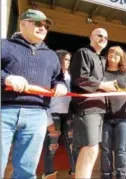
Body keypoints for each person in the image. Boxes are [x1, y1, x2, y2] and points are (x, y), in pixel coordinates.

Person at [1, 9, 67, 179]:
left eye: (45, 25)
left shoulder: (51, 56)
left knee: (27, 170)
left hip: (37, 116)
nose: (43, 27)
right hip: (4, 111)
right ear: (23, 23)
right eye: (38, 23)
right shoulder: (4, 45)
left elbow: (57, 79)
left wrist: (60, 86)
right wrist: (6, 78)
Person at [70, 28, 117, 179]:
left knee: (93, 149)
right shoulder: (83, 53)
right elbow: (80, 78)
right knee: (89, 148)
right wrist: (104, 85)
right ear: (91, 37)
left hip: (99, 108)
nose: (103, 38)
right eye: (100, 35)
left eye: (106, 37)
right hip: (86, 107)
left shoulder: (102, 59)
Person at [101, 46, 126, 179]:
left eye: (117, 54)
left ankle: (121, 175)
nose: (113, 55)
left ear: (121, 58)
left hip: (123, 118)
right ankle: (106, 175)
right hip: (104, 117)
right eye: (110, 52)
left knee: (121, 149)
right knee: (105, 149)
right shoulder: (101, 73)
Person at [43, 50, 76, 179]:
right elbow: (43, 98)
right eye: (61, 59)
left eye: (67, 59)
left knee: (72, 145)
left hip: (69, 114)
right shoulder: (50, 75)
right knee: (52, 146)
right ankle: (49, 173)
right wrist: (48, 119)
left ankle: (75, 172)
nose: (64, 62)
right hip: (54, 113)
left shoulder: (72, 77)